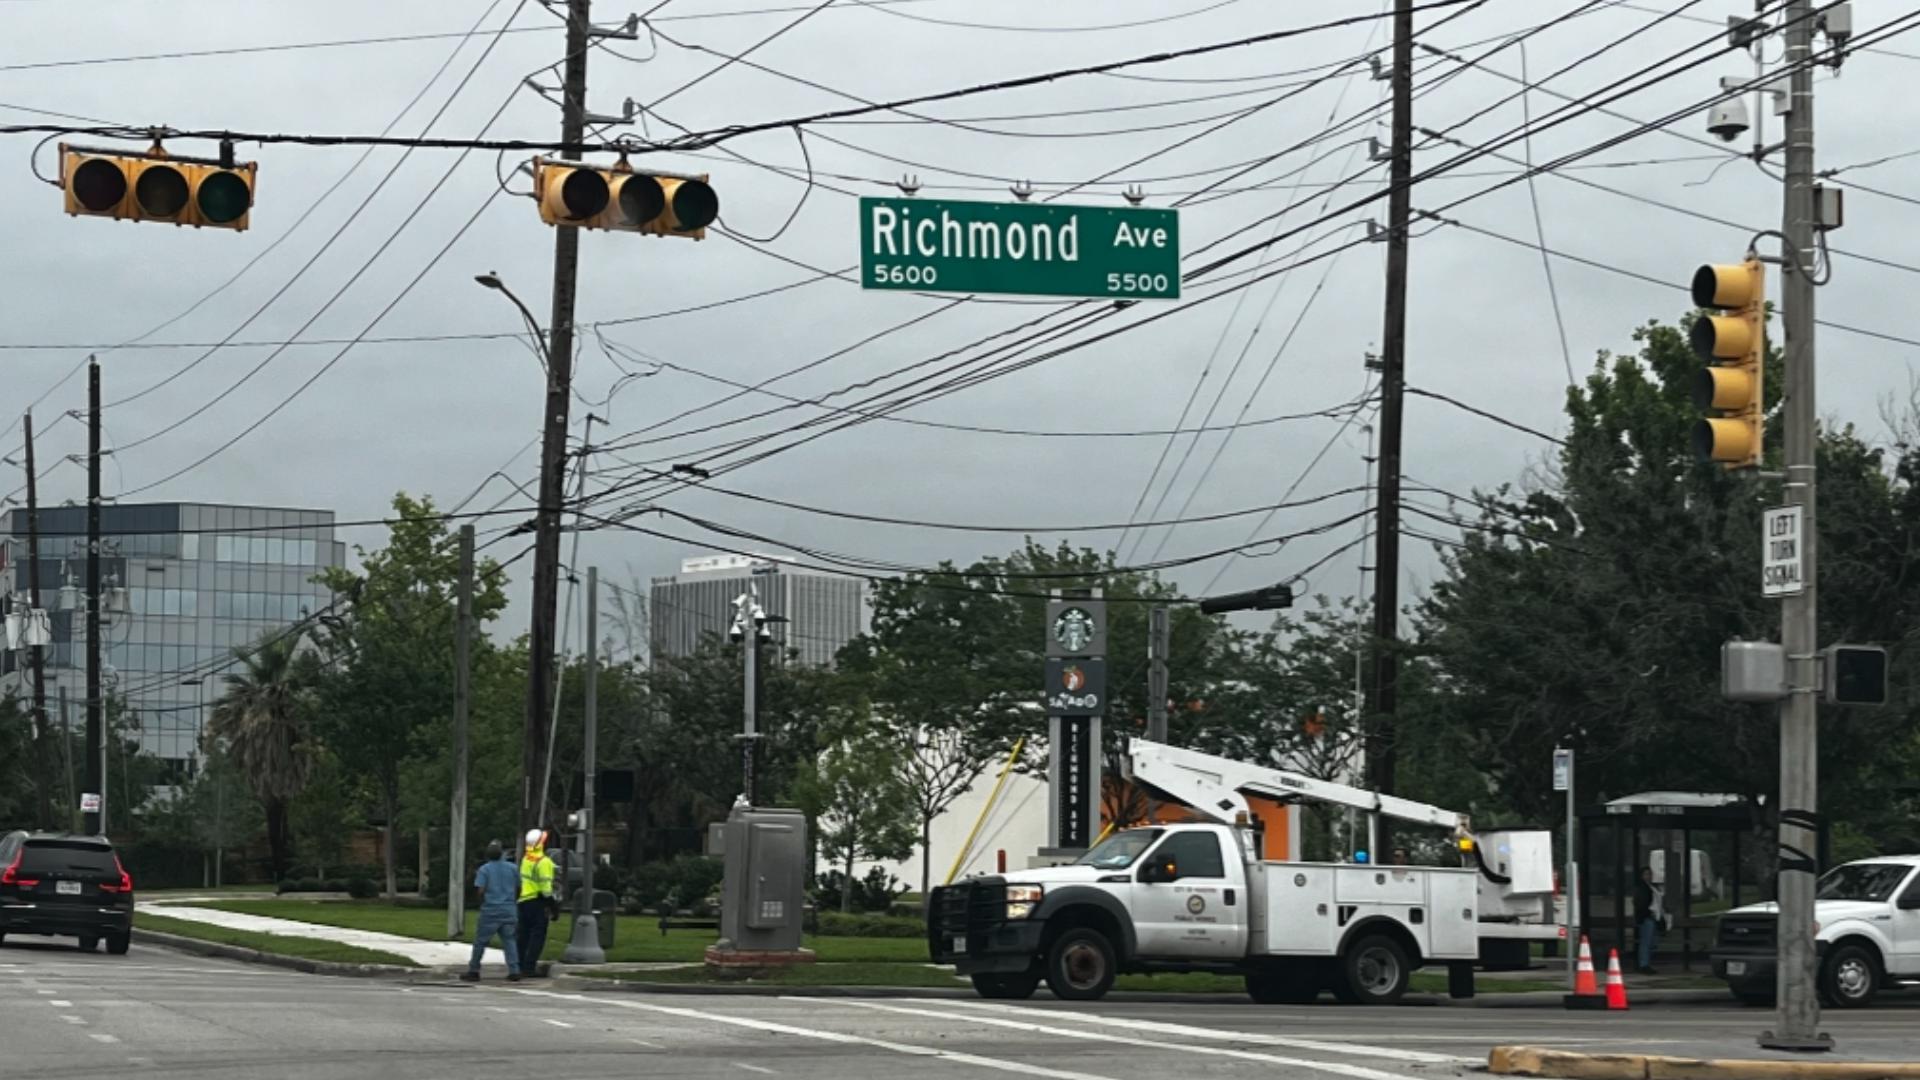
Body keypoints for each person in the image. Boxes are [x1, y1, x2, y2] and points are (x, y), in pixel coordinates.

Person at [462, 840, 521, 983]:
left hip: (491, 909)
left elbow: (480, 890)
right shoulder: (513, 868)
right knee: (509, 940)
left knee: (481, 942)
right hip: (509, 909)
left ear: (487, 855)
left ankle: (474, 970)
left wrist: (481, 903)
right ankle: (514, 970)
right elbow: (519, 887)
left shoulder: (485, 869)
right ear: (502, 854)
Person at [517, 828, 557, 977]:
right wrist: (553, 907)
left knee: (523, 935)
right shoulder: (544, 862)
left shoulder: (526, 859)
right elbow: (546, 889)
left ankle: (519, 965)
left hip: (523, 900)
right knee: (537, 936)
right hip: (537, 902)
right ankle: (529, 968)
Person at [1634, 865, 1665, 974]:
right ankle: (1644, 964)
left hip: (1654, 917)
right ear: (1641, 876)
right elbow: (1640, 904)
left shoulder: (1652, 887)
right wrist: (1648, 913)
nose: (1649, 876)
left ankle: (1646, 963)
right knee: (1646, 942)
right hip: (1647, 918)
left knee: (1652, 942)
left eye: (1650, 874)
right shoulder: (1641, 888)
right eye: (1646, 874)